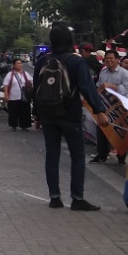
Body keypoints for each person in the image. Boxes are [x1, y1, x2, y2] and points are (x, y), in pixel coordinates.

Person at [35, 24, 110, 211]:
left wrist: (37, 114)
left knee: (52, 155)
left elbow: (36, 90)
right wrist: (99, 110)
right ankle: (77, 198)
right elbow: (87, 88)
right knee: (77, 156)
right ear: (70, 41)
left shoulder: (42, 61)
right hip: (70, 114)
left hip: (48, 115)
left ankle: (54, 197)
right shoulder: (76, 62)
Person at [90, 49, 128, 164]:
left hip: (119, 107)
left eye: (111, 58)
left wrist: (111, 86)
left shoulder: (124, 73)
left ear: (117, 60)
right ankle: (102, 154)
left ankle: (121, 156)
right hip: (105, 106)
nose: (108, 60)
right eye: (106, 58)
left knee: (119, 132)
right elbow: (98, 87)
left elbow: (126, 90)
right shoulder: (103, 73)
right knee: (102, 129)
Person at [2, 58, 32, 132]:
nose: (20, 65)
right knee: (13, 112)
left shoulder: (25, 74)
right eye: (18, 63)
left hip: (24, 97)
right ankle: (13, 125)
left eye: (20, 63)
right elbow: (5, 85)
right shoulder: (10, 74)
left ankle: (24, 126)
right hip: (13, 97)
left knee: (25, 112)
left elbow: (31, 82)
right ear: (14, 65)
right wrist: (6, 95)